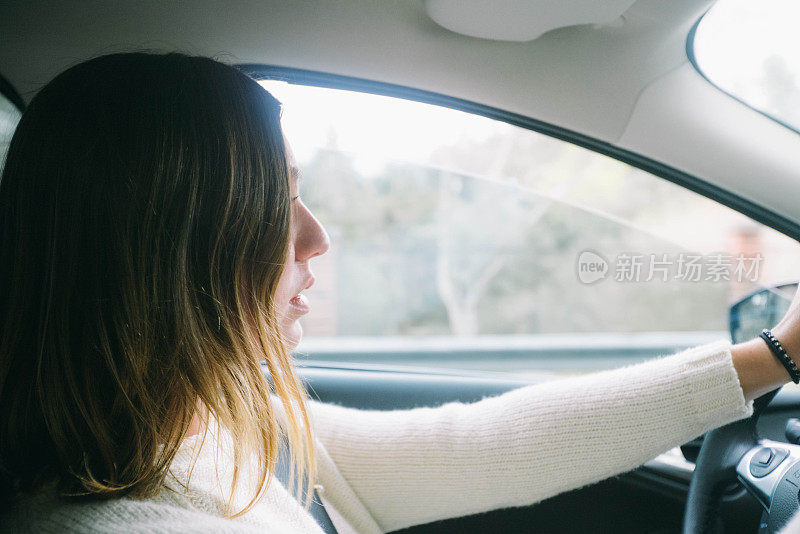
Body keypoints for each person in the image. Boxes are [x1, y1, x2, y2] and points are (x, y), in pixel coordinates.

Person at [0, 52, 799, 533]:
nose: (316, 237)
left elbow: (484, 447)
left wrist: (776, 356)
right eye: (277, 203)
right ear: (167, 247)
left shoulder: (216, 420)